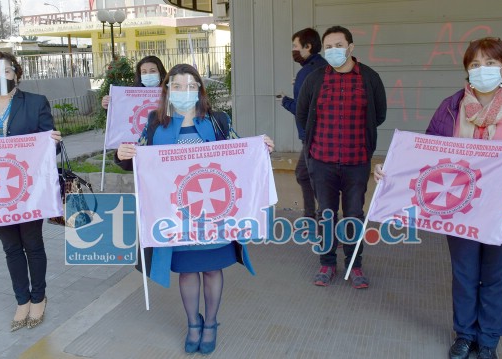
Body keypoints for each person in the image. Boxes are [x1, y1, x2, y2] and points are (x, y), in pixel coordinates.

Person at [374, 37, 502, 359]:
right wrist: (390, 169)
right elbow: (426, 153)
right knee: (465, 275)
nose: (482, 70)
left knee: (497, 279)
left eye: (490, 63)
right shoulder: (451, 107)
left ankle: (487, 341)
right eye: (475, 64)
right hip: (460, 209)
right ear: (466, 70)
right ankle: (464, 335)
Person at [115, 64, 274, 355]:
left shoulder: (218, 121)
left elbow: (240, 153)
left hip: (215, 217)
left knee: (213, 269)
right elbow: (137, 159)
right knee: (187, 273)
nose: (184, 92)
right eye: (177, 86)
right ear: (167, 90)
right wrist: (122, 155)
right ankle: (193, 323)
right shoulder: (154, 123)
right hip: (176, 220)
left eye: (191, 86)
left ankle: (210, 323)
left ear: (199, 89)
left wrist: (260, 147)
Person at [0, 51, 62, 331]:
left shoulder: (34, 103)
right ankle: (22, 300)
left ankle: (39, 297)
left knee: (32, 244)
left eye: (6, 71)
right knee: (10, 247)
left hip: (28, 189)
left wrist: (52, 141)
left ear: (17, 75)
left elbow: (49, 145)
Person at [296, 26, 387, 289]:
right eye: (329, 47)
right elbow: (303, 115)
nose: (333, 51)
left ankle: (354, 265)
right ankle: (327, 262)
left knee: (354, 214)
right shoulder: (315, 79)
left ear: (351, 47)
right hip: (322, 161)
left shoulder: (369, 78)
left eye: (339, 45)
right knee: (326, 214)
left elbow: (378, 115)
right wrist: (311, 148)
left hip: (357, 161)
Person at [278, 27, 327, 219]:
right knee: (304, 174)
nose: (293, 50)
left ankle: (325, 223)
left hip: (312, 135)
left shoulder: (305, 73)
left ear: (308, 47)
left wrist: (284, 100)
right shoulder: (323, 66)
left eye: (295, 46)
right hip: (324, 133)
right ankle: (311, 217)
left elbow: (301, 109)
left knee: (316, 180)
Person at [101, 55, 167, 109]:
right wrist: (109, 106)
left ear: (160, 73)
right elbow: (122, 116)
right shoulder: (131, 95)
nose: (148, 75)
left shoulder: (169, 93)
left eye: (152, 71)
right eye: (144, 72)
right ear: (140, 75)